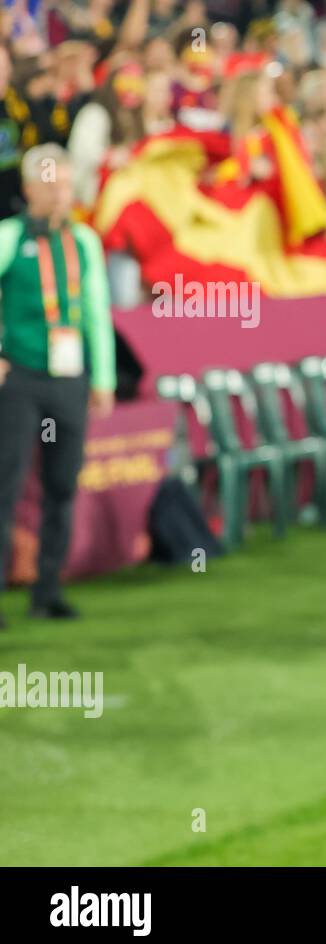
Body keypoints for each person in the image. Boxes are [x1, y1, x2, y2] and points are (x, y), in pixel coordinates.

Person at [0, 143, 115, 629]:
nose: (59, 193)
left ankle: (48, 589)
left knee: (62, 486)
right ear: (28, 188)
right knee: (5, 486)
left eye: (65, 183)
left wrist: (103, 378)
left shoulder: (84, 240)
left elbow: (95, 311)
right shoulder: (9, 236)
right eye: (50, 183)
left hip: (69, 379)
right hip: (21, 378)